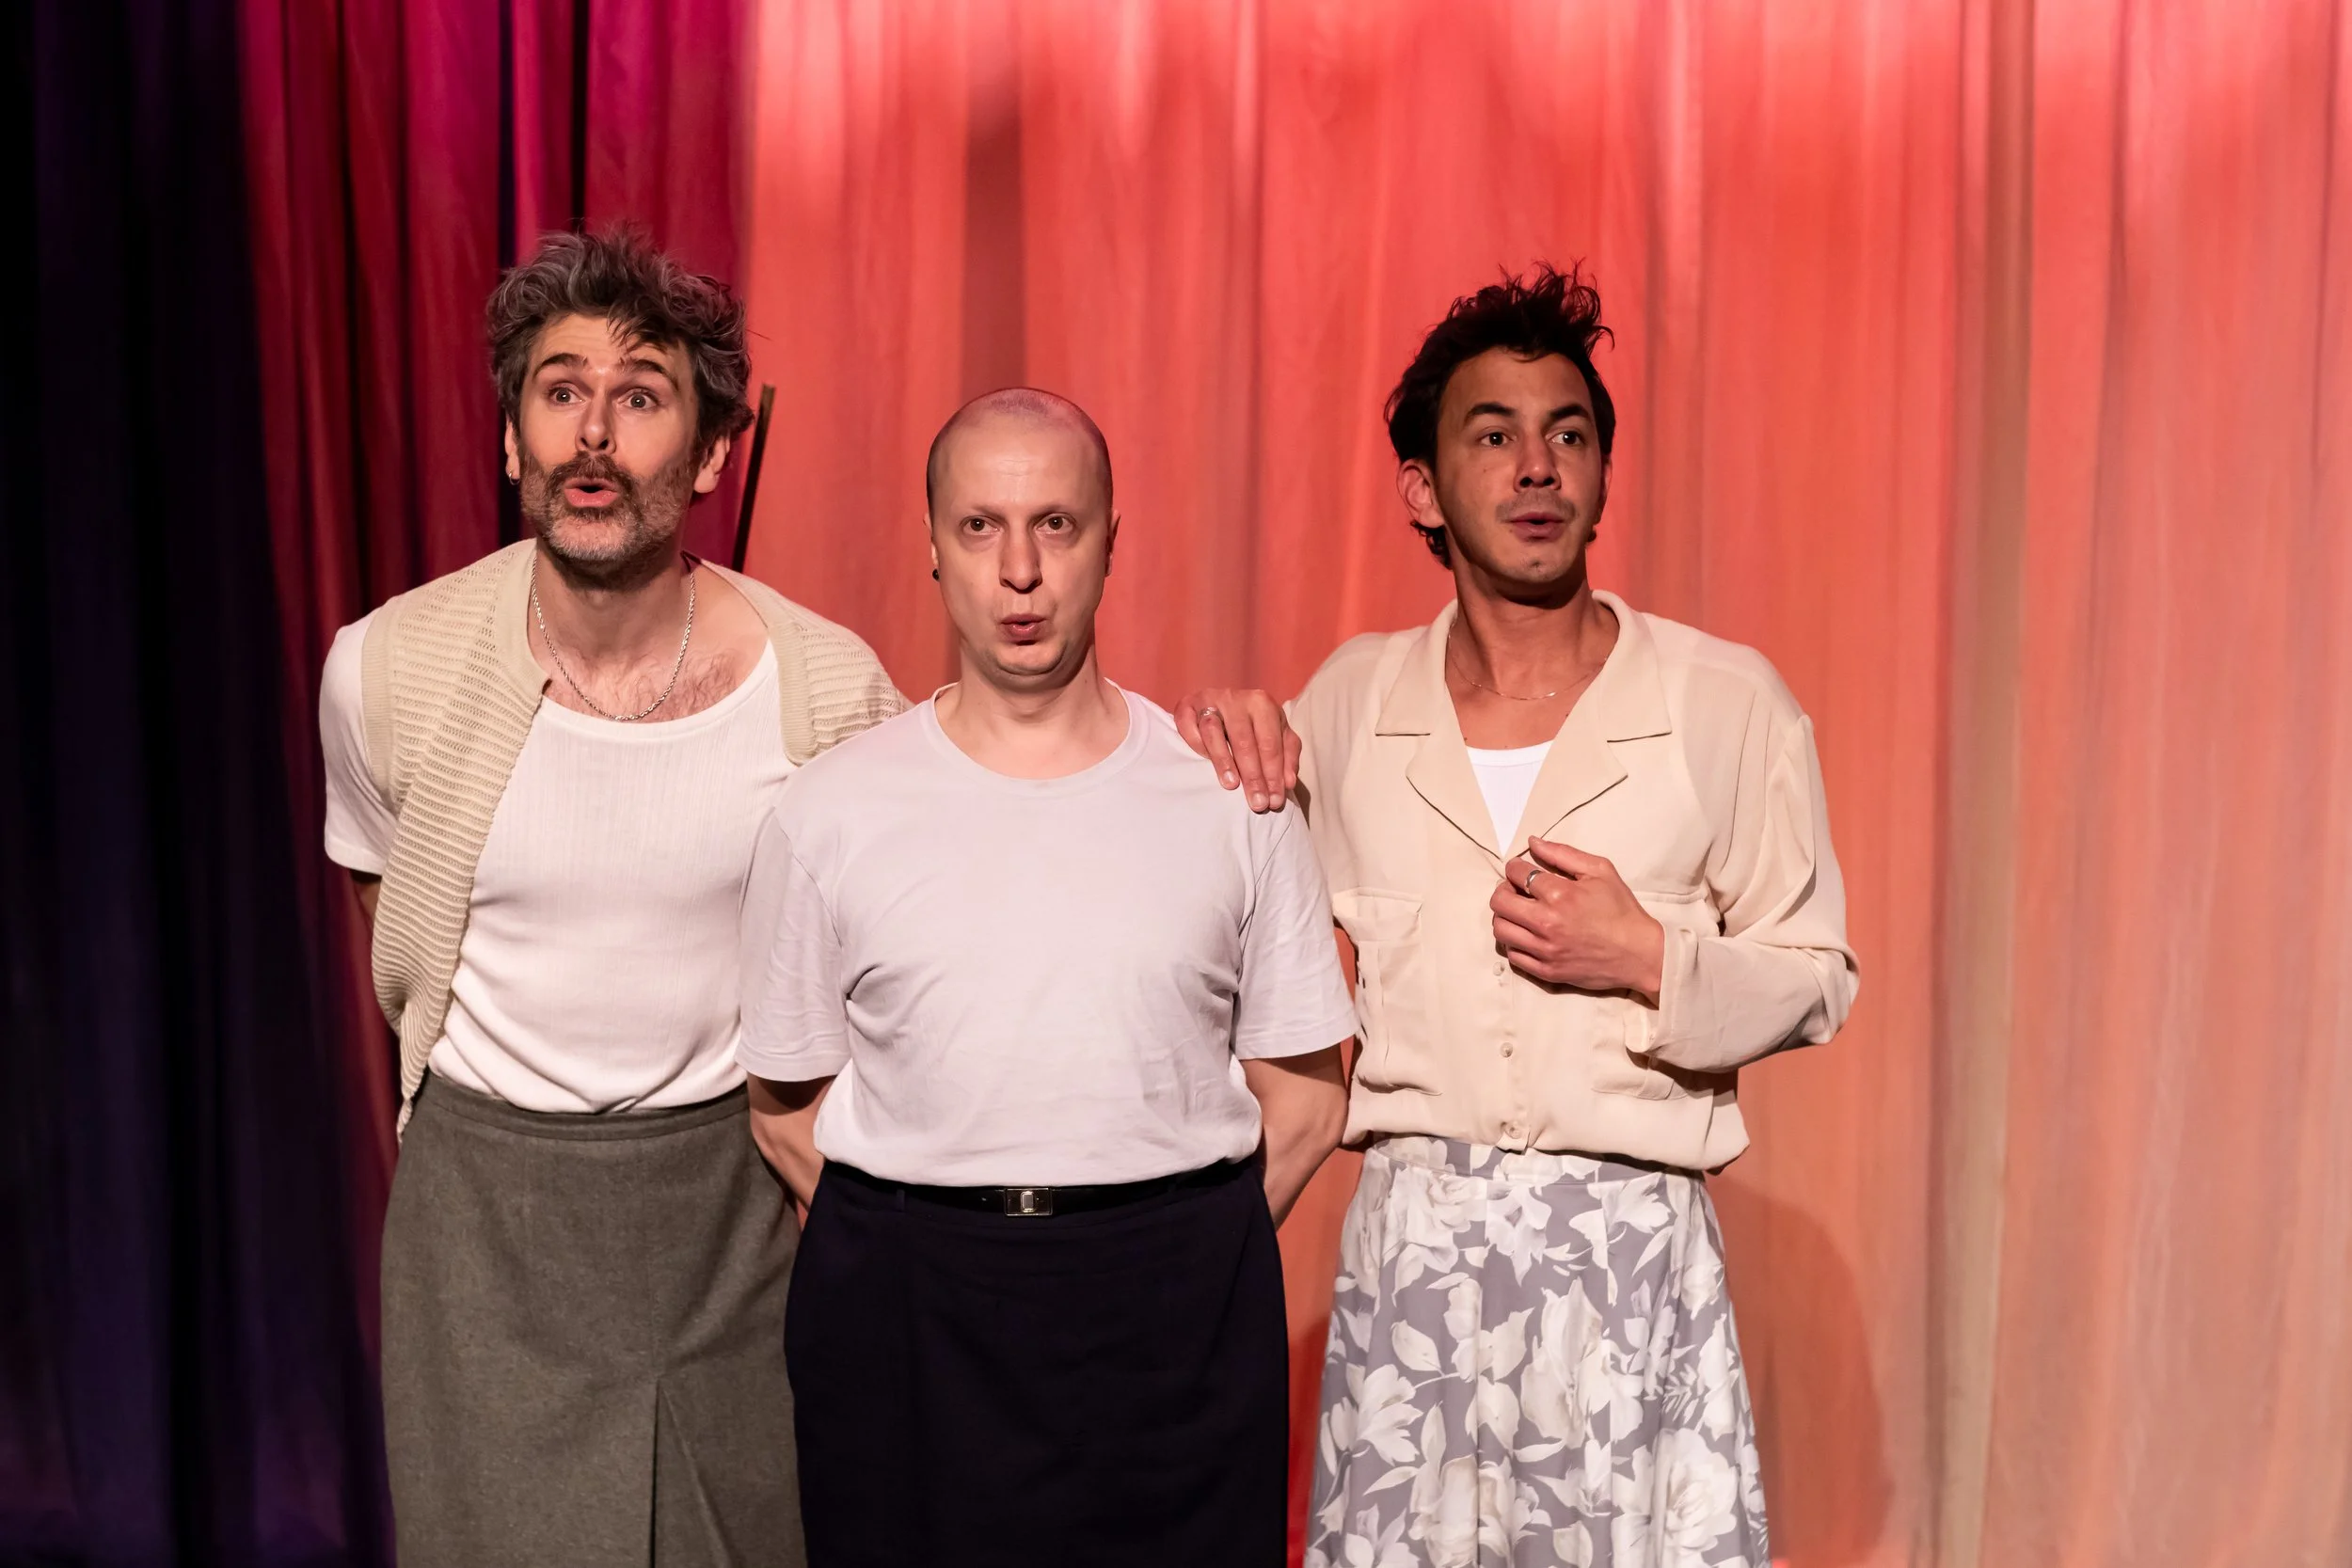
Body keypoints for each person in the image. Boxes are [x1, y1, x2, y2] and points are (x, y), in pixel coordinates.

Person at [318, 229, 1281, 1567]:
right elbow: (396, 913)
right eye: (557, 390)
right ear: (509, 437)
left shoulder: (824, 684)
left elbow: (935, 891)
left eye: (642, 395)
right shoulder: (387, 668)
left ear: (712, 452)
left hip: (733, 1215)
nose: (593, 434)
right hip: (490, 1227)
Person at [1185, 267, 1860, 1567]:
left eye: (1569, 434)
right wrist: (1232, 728)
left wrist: (1654, 955)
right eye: (1492, 434)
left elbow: (1818, 972)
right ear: (1424, 489)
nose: (1537, 466)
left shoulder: (1725, 702)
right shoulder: (1352, 700)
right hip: (1414, 1251)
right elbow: (1226, 921)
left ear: (1603, 474)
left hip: (1629, 1253)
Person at [736, 388, 1359, 1568]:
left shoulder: (1232, 792)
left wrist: (1178, 1257)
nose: (1019, 569)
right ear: (930, 546)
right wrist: (927, 1246)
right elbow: (783, 1110)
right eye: (980, 527)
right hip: (908, 1320)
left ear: (1112, 541)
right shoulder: (829, 809)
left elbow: (1310, 1093)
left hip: (1174, 1316)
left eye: (1056, 525)